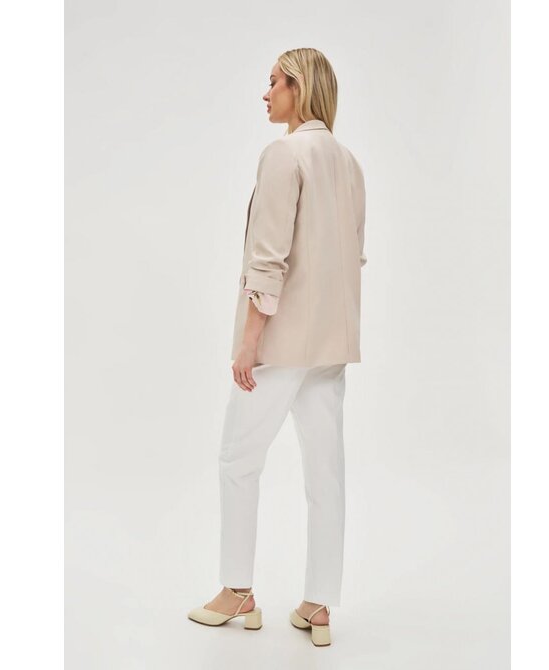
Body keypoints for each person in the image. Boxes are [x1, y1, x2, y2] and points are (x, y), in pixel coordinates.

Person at [187, 47, 366, 647]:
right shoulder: (349, 164)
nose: (265, 94)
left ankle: (237, 590)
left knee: (238, 461)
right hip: (331, 346)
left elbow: (268, 258)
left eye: (274, 83)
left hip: (282, 342)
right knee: (326, 473)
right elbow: (351, 257)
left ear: (300, 88)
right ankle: (318, 605)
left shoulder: (283, 155)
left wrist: (249, 342)